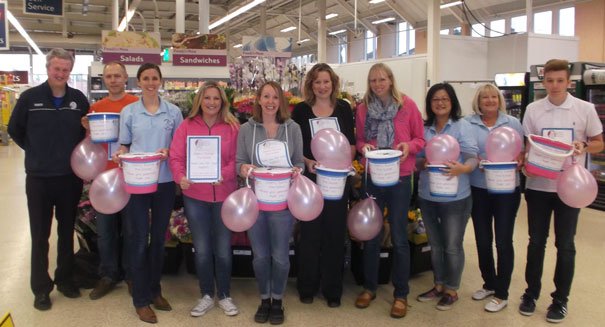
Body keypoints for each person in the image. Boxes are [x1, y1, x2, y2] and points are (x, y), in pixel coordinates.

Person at [519, 59, 603, 323]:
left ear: (569, 82)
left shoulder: (585, 108)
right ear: (543, 82)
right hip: (538, 186)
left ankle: (560, 300)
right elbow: (526, 148)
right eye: (550, 80)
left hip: (570, 188)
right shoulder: (533, 109)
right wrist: (525, 164)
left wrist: (584, 147)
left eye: (560, 81)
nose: (554, 85)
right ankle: (531, 294)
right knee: (536, 242)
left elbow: (599, 143)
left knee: (565, 245)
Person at [8, 48, 89, 311]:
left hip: (69, 179)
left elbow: (84, 133)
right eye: (57, 69)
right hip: (39, 179)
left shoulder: (78, 99)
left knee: (66, 232)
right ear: (48, 68)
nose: (61, 74)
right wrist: (36, 152)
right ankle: (41, 288)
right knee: (40, 235)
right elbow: (14, 130)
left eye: (66, 69)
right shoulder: (30, 97)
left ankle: (65, 279)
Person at [354, 63, 425, 318]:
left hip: (401, 177)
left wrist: (409, 147)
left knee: (399, 235)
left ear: (391, 80)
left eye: (382, 79)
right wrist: (363, 149)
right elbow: (360, 140)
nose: (377, 84)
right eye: (373, 80)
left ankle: (401, 293)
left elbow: (420, 138)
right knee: (372, 234)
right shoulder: (363, 109)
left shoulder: (408, 105)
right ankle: (369, 287)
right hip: (374, 177)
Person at [113, 63, 183, 324]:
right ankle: (140, 299)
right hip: (138, 182)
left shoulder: (173, 112)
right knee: (139, 239)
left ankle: (155, 289)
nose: (151, 82)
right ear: (139, 82)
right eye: (146, 78)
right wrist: (120, 154)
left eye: (155, 78)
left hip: (164, 181)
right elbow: (124, 144)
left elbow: (178, 147)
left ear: (160, 81)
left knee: (159, 238)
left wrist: (170, 153)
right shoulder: (129, 112)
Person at [169, 82, 240, 318]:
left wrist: (225, 175)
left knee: (222, 249)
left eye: (216, 99)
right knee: (201, 249)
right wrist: (180, 178)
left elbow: (237, 159)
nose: (211, 103)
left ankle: (225, 295)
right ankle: (207, 294)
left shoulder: (232, 127)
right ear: (200, 101)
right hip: (195, 197)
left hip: (224, 195)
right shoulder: (186, 126)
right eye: (207, 98)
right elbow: (176, 157)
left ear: (223, 102)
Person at [236, 81, 304, 325]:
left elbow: (300, 161)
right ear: (258, 100)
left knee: (280, 256)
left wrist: (298, 169)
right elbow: (239, 162)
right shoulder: (246, 129)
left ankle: (278, 299)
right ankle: (264, 298)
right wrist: (243, 168)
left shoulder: (293, 128)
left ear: (281, 101)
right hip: (256, 202)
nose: (270, 102)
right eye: (266, 96)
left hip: (282, 204)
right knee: (260, 256)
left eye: (275, 97)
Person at [291, 63, 356, 308]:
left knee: (334, 235)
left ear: (333, 83)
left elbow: (350, 144)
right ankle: (307, 286)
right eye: (317, 82)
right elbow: (297, 149)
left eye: (326, 81)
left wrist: (342, 163)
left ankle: (332, 290)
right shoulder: (301, 111)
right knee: (309, 235)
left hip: (337, 183)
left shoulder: (343, 109)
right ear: (311, 85)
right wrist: (308, 161)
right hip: (311, 182)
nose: (322, 86)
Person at [416, 83, 478, 311]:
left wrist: (462, 169)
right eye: (435, 100)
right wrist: (423, 163)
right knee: (435, 244)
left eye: (444, 99)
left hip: (456, 198)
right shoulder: (424, 129)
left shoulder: (463, 126)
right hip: (428, 195)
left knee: (452, 245)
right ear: (430, 104)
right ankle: (438, 285)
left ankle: (452, 289)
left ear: (452, 102)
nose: (440, 103)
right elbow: (417, 160)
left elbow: (473, 158)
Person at [465, 84, 524, 312]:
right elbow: (466, 151)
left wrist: (517, 162)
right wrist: (475, 161)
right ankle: (489, 283)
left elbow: (520, 153)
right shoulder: (469, 123)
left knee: (503, 240)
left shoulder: (512, 123)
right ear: (478, 101)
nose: (489, 100)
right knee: (482, 239)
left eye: (493, 96)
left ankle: (502, 293)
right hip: (478, 188)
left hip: (506, 190)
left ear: (499, 99)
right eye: (484, 97)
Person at [83, 62, 139, 300]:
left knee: (131, 230)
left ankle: (130, 275)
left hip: (130, 177)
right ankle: (108, 274)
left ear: (126, 78)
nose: (114, 79)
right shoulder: (95, 108)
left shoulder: (136, 106)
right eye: (109, 76)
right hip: (104, 180)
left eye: (118, 75)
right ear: (104, 79)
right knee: (105, 231)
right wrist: (86, 128)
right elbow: (92, 145)